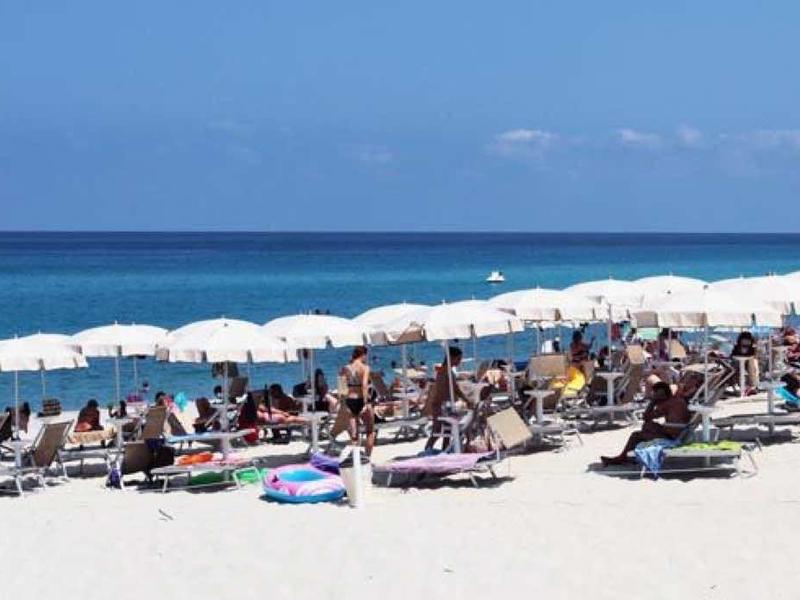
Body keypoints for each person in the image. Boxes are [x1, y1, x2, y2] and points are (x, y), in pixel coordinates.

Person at [600, 373, 702, 466]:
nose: (684, 383)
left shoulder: (673, 402)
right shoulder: (681, 401)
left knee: (636, 435)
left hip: (671, 438)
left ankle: (621, 458)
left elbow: (646, 417)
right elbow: (648, 418)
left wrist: (653, 401)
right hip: (676, 433)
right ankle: (625, 457)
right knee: (648, 426)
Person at [424, 346, 473, 451]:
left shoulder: (446, 371)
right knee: (437, 431)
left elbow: (453, 388)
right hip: (440, 405)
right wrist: (465, 400)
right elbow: (450, 389)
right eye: (458, 358)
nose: (459, 361)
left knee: (448, 430)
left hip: (444, 404)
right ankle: (427, 450)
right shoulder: (445, 372)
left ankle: (444, 450)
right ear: (451, 358)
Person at [340, 346, 376, 456]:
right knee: (370, 431)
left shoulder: (345, 368)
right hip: (361, 400)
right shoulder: (365, 368)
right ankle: (367, 458)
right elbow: (364, 385)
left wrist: (343, 402)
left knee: (354, 433)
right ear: (363, 355)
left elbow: (342, 387)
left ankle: (357, 458)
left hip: (350, 400)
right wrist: (366, 402)